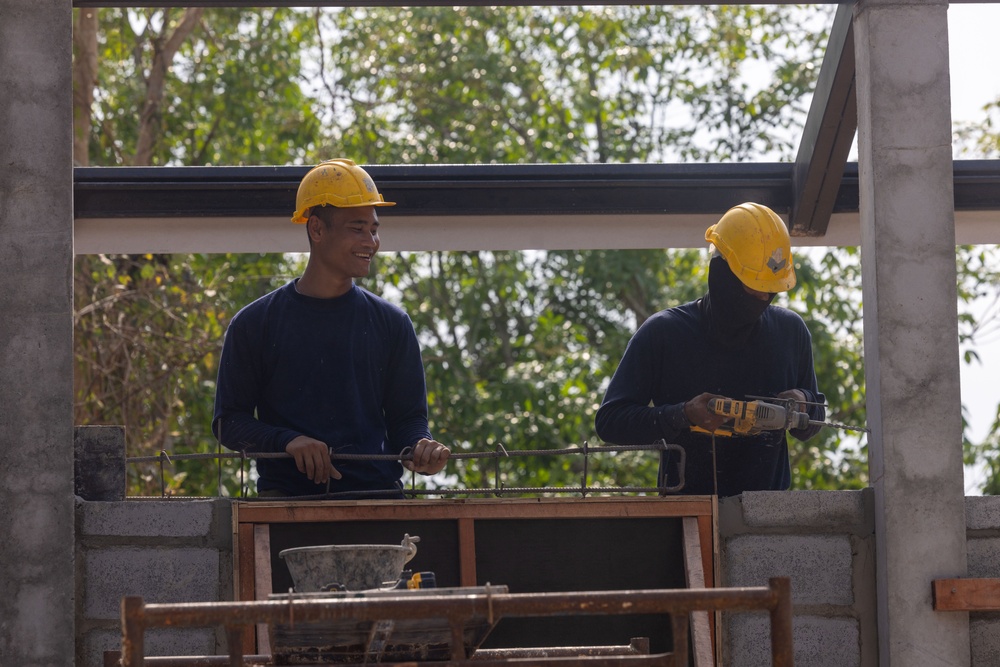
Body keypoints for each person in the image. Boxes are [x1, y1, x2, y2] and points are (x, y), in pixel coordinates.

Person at [212, 159, 450, 498]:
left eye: (374, 228)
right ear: (317, 229)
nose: (371, 241)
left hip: (378, 504)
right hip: (286, 508)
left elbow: (407, 420)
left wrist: (420, 447)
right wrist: (288, 441)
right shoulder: (254, 324)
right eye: (357, 228)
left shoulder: (392, 324)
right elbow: (228, 422)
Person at [594, 202, 825, 497]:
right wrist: (683, 415)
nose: (763, 297)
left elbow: (813, 421)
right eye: (752, 286)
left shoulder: (790, 333)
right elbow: (610, 421)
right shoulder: (664, 333)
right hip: (686, 512)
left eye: (770, 289)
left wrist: (803, 402)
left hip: (768, 516)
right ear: (721, 274)